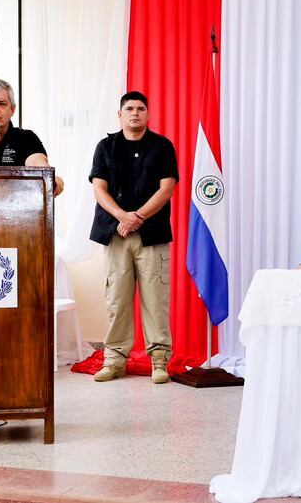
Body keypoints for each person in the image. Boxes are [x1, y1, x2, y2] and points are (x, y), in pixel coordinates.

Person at [88, 91, 178, 384]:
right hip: (116, 234)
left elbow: (166, 189)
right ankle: (114, 360)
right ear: (120, 114)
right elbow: (99, 189)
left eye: (140, 109)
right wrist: (122, 217)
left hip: (151, 234)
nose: (135, 113)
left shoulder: (163, 147)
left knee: (155, 300)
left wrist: (136, 216)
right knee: (117, 300)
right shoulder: (106, 146)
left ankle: (160, 361)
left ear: (148, 115)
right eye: (129, 109)